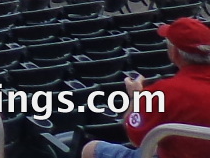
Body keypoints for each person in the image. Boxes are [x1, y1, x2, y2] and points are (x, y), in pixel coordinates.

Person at [80, 16, 210, 158]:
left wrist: (137, 97)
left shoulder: (164, 92)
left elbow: (135, 139)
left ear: (174, 53)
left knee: (91, 149)